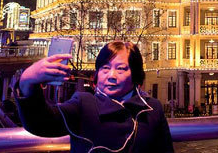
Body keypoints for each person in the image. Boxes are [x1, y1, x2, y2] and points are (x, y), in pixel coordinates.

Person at [15, 41, 174, 153]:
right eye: (105, 68)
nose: (111, 76)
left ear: (135, 73)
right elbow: (40, 123)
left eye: (120, 69)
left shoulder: (152, 108)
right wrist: (28, 80)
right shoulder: (84, 103)